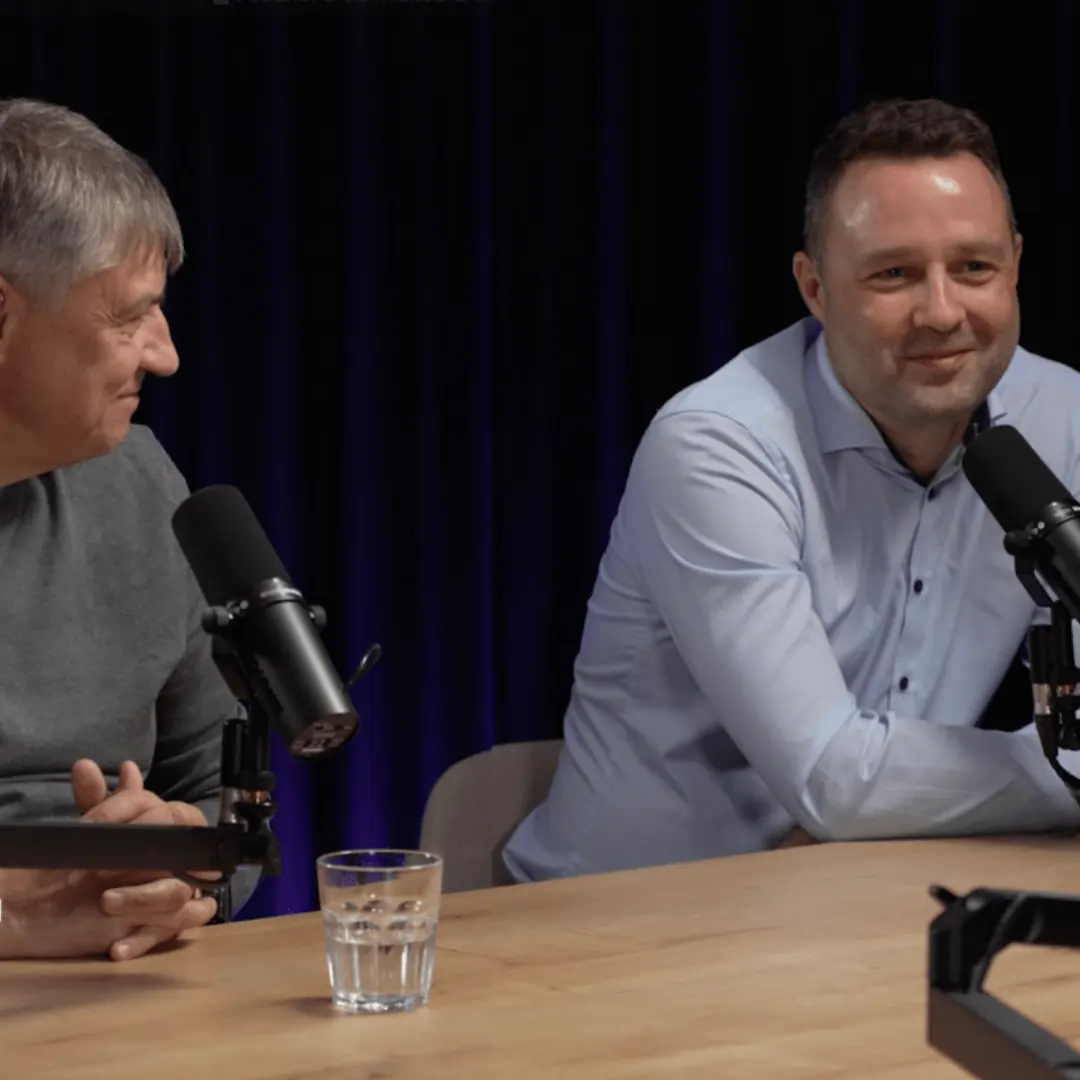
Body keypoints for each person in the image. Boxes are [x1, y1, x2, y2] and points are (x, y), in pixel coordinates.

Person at [504, 97, 1080, 883]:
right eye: (894, 274)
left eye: (973, 267)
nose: (942, 311)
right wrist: (1065, 776)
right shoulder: (717, 444)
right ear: (814, 287)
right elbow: (832, 778)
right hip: (624, 915)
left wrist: (880, 812)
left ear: (1015, 264)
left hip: (855, 894)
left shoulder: (1064, 417)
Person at [0, 98, 259, 959]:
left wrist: (186, 867)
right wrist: (12, 920)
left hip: (125, 986)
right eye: (126, 318)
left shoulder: (139, 484)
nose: (165, 354)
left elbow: (219, 792)